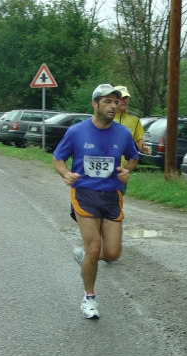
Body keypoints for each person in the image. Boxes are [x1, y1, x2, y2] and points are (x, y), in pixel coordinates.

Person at [53, 84, 139, 319]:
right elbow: (58, 158)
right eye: (107, 102)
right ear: (95, 104)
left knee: (111, 253)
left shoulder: (122, 133)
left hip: (112, 194)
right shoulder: (76, 131)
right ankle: (89, 298)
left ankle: (87, 258)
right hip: (85, 193)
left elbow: (133, 157)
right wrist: (65, 173)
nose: (113, 106)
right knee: (94, 247)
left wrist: (127, 170)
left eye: (115, 102)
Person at [113, 85, 151, 194]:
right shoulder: (108, 115)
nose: (125, 101)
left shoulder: (134, 118)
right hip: (107, 165)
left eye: (126, 98)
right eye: (121, 98)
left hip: (123, 168)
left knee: (117, 199)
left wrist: (143, 147)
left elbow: (138, 138)